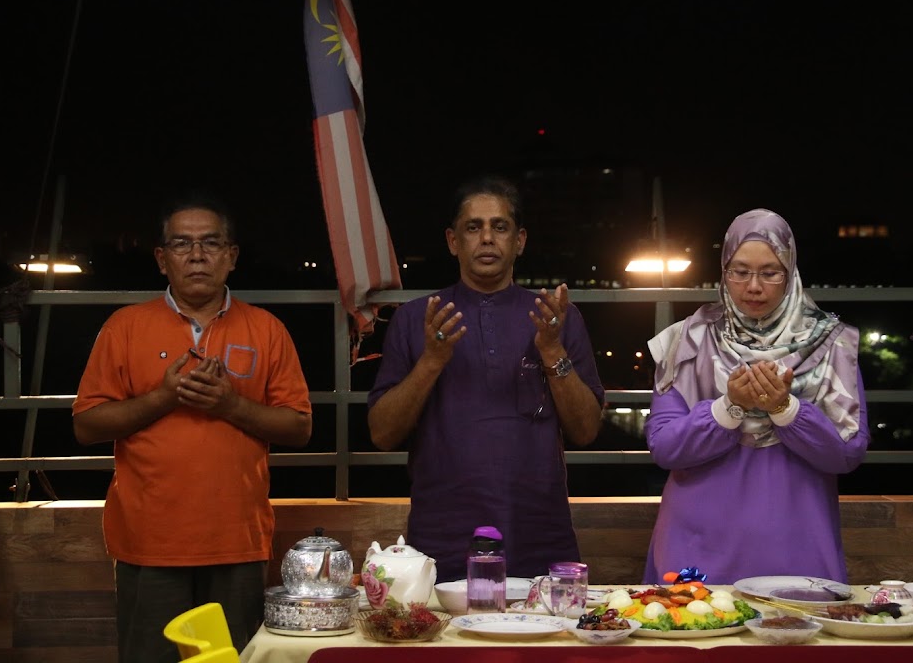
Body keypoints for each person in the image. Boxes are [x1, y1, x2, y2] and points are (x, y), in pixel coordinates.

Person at [72, 192, 313, 663]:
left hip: (237, 541)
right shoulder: (125, 326)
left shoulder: (266, 329)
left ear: (232, 256)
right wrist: (163, 397)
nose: (197, 255)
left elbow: (299, 427)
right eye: (181, 244)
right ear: (162, 260)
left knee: (235, 659)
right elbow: (86, 425)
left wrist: (229, 405)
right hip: (149, 543)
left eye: (211, 243)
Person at [367, 175, 605, 582]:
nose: (487, 239)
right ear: (453, 241)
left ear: (520, 240)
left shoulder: (554, 316)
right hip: (442, 533)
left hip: (539, 530)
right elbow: (382, 434)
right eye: (473, 227)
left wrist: (552, 351)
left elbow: (585, 430)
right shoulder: (415, 319)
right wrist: (432, 360)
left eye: (500, 227)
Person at [642, 208, 869, 586]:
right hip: (696, 549)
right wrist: (728, 407)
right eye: (740, 271)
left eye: (770, 272)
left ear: (790, 272)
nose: (754, 287)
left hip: (798, 550)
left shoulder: (832, 344)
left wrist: (786, 409)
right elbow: (665, 447)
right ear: (723, 271)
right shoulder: (688, 341)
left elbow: (846, 453)